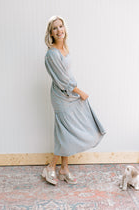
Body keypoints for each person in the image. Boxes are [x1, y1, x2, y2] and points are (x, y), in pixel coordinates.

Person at [42, 15, 106, 185]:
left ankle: (64, 168)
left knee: (67, 132)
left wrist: (75, 91)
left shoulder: (65, 49)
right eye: (55, 28)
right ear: (50, 32)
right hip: (61, 96)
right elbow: (62, 79)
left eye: (61, 26)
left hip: (69, 93)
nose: (59, 30)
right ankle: (50, 167)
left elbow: (68, 75)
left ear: (64, 28)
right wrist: (80, 92)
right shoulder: (51, 54)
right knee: (64, 131)